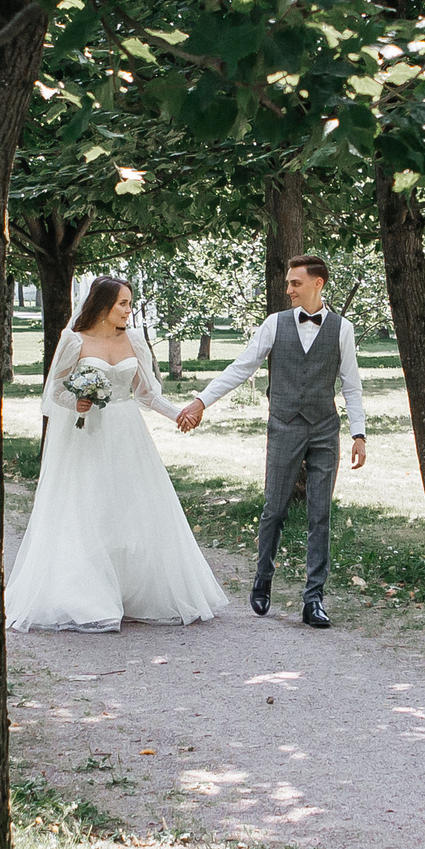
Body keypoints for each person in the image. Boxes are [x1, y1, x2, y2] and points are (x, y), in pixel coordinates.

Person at [7, 277, 228, 632]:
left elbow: (146, 394)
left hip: (127, 432)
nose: (128, 310)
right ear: (102, 305)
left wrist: (180, 414)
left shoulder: (135, 340)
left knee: (131, 507)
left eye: (129, 304)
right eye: (123, 304)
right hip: (88, 434)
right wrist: (76, 401)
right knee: (88, 507)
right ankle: (88, 596)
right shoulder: (74, 340)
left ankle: (134, 591)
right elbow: (54, 392)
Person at [176, 254, 365, 628]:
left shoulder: (342, 329)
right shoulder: (275, 324)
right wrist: (201, 400)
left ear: (318, 284)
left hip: (325, 430)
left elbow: (351, 385)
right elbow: (242, 367)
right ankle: (263, 577)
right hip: (284, 426)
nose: (289, 289)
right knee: (275, 508)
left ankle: (314, 599)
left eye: (296, 282)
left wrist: (358, 433)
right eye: (288, 282)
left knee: (320, 514)